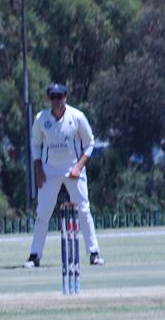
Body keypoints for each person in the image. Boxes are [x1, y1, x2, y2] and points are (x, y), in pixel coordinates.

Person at [23, 83, 104, 268]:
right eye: (53, 97)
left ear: (65, 97)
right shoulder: (41, 118)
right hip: (49, 170)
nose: (56, 101)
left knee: (84, 210)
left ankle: (94, 253)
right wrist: (38, 170)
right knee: (43, 213)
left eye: (59, 97)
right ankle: (35, 256)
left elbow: (90, 143)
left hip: (73, 169)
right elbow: (35, 144)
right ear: (48, 98)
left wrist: (78, 167)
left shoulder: (77, 117)